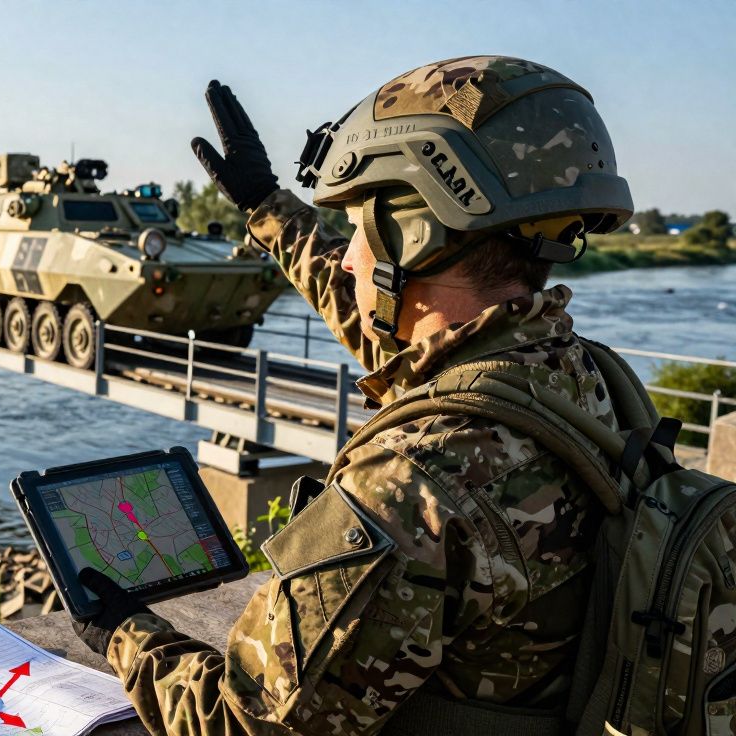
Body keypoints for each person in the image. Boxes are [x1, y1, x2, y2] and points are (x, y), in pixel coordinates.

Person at [71, 56, 637, 735]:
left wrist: (122, 634)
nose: (346, 256)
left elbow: (245, 723)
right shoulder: (579, 379)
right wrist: (265, 207)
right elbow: (399, 340)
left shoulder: (416, 480)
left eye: (362, 228)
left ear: (415, 234)